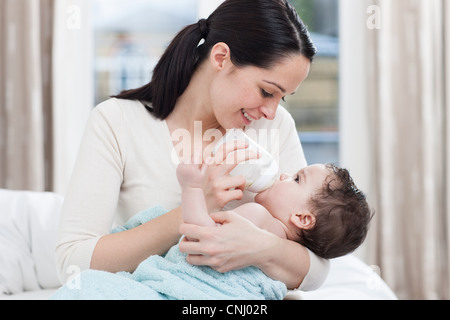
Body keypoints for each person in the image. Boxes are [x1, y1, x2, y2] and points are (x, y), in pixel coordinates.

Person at [55, 0, 329, 292]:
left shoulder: (275, 126)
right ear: (221, 58)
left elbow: (316, 267)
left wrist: (261, 247)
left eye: (282, 97)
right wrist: (196, 206)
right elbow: (72, 263)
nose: (271, 111)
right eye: (266, 91)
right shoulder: (116, 122)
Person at [178, 158, 373, 260]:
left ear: (302, 218)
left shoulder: (257, 216)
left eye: (296, 179)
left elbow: (201, 239)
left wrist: (192, 187)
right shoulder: (285, 248)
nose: (283, 175)